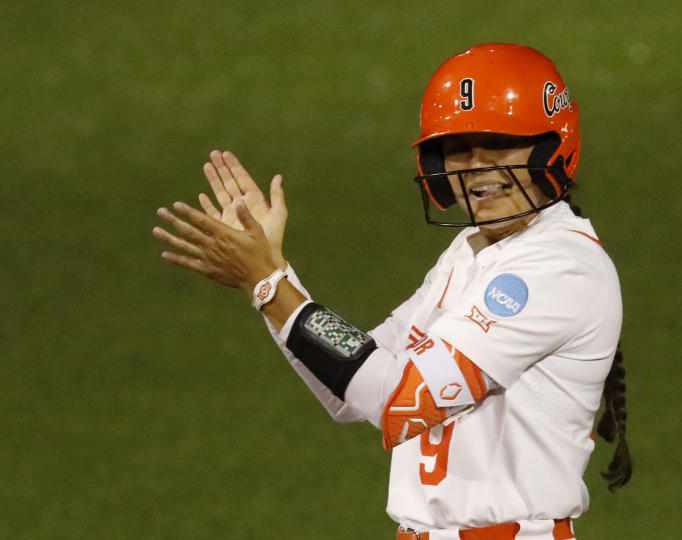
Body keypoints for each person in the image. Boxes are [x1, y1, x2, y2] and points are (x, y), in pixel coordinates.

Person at [153, 42, 631, 540]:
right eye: (458, 147)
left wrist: (268, 285)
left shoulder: (558, 267)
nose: (475, 165)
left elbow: (399, 400)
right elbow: (353, 391)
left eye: (498, 140)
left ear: (552, 146)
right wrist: (275, 275)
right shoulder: (471, 251)